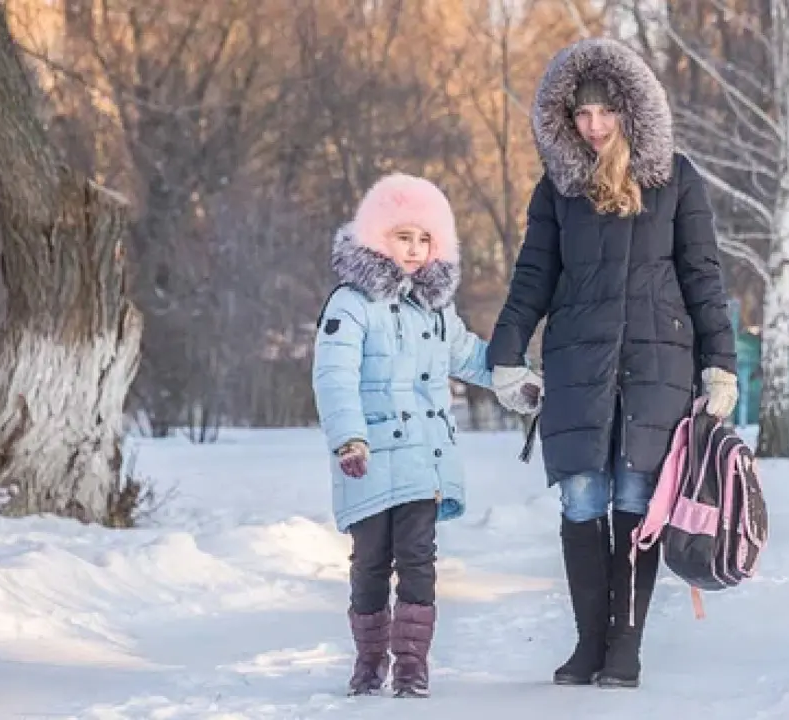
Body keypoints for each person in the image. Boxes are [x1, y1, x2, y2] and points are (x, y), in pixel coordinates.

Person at [487, 37, 739, 689]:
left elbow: (703, 276)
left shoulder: (674, 178)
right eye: (581, 115)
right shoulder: (558, 189)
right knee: (580, 499)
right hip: (577, 360)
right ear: (565, 120)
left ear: (631, 110)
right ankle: (588, 644)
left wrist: (720, 363)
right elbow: (533, 276)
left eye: (606, 113)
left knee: (634, 496)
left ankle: (624, 646)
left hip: (658, 362)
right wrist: (506, 355)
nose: (594, 127)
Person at [312, 173, 542, 698]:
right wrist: (349, 438)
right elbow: (334, 376)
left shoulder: (435, 310)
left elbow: (469, 356)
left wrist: (515, 381)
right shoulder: (350, 304)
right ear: (377, 236)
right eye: (403, 237)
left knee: (418, 557)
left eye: (424, 239)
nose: (414, 250)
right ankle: (369, 661)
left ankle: (412, 663)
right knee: (370, 562)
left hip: (422, 460)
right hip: (366, 458)